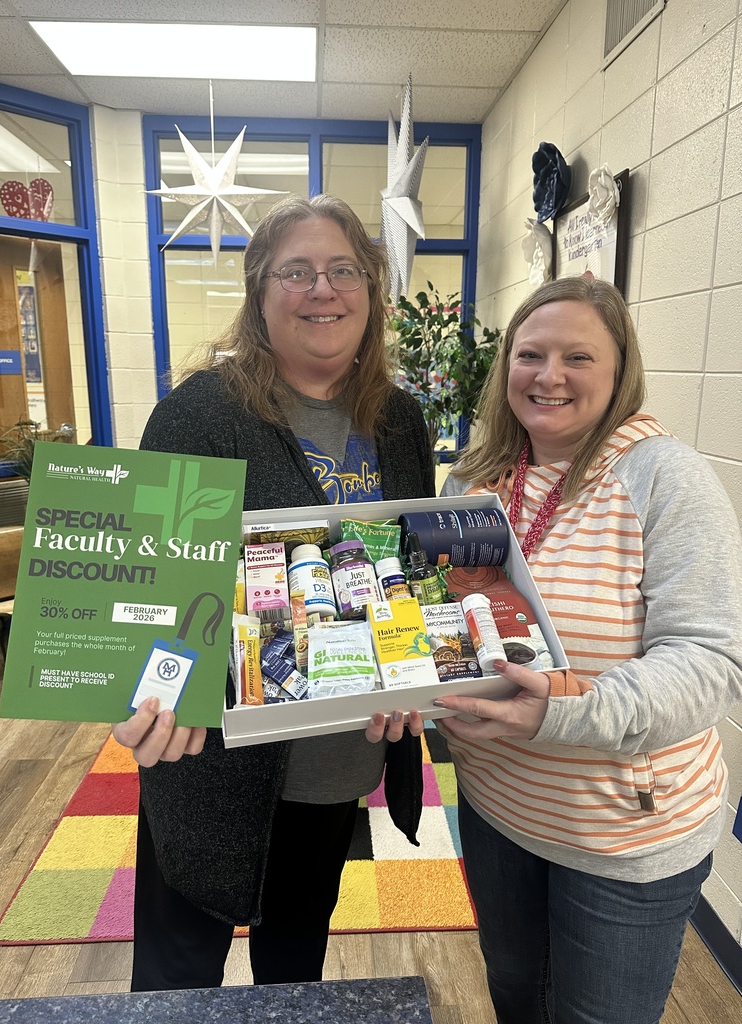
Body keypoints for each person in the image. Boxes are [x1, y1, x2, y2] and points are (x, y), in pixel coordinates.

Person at [113, 194, 432, 992]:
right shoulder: (199, 416)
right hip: (212, 761)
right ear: (259, 293)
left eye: (342, 270)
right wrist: (145, 693)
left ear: (372, 292)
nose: (321, 289)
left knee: (295, 962)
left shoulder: (399, 422)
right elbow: (150, 592)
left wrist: (417, 668)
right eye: (295, 271)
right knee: (178, 975)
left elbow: (413, 571)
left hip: (334, 756)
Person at [434, 276, 742, 1024]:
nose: (549, 376)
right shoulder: (474, 481)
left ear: (618, 372)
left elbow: (708, 663)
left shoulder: (665, 478)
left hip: (623, 834)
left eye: (578, 357)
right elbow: (434, 624)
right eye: (530, 354)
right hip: (497, 806)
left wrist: (568, 711)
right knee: (512, 989)